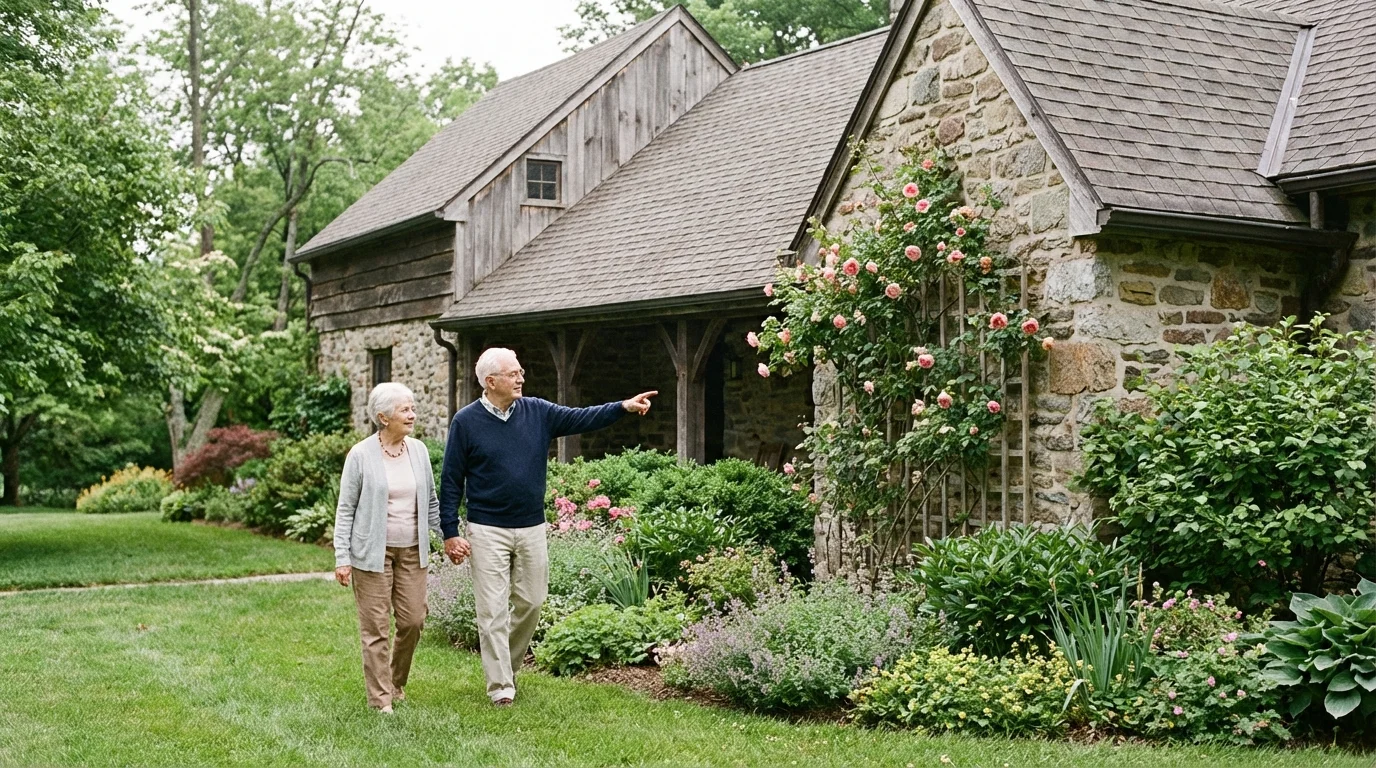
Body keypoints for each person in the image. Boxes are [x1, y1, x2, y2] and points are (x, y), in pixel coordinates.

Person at [439, 347, 655, 706]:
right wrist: (450, 531)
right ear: (491, 382)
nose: (521, 377)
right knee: (491, 611)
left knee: (533, 602)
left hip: (531, 527)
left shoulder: (537, 411)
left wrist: (623, 407)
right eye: (513, 373)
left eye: (521, 371)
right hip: (486, 528)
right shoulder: (466, 422)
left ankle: (505, 666)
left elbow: (581, 417)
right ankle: (501, 687)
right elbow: (451, 481)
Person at [333, 382, 445, 714]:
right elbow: (346, 508)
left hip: (412, 550)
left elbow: (432, 503)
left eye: (412, 408)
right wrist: (342, 557)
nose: (413, 414)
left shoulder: (419, 451)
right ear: (383, 417)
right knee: (376, 627)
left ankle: (395, 681)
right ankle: (381, 699)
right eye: (405, 410)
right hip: (372, 553)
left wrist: (449, 535)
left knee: (412, 620)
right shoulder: (361, 454)